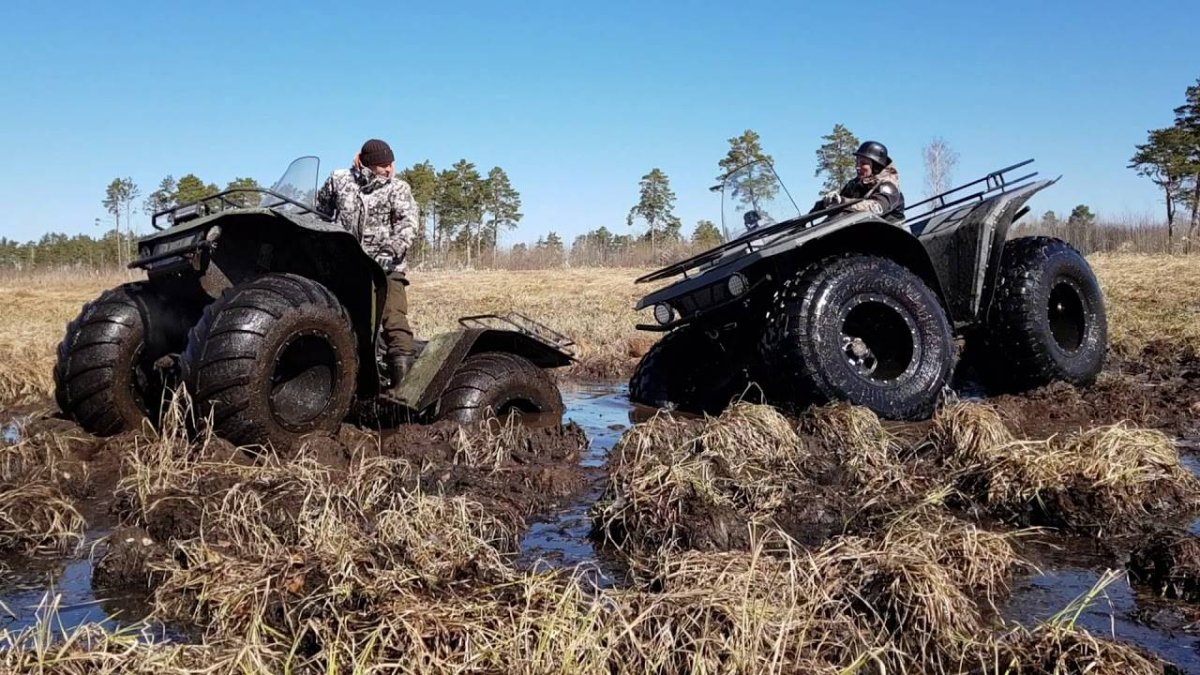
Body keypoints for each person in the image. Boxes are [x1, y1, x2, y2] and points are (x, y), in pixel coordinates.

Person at [315, 138, 419, 395]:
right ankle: (345, 386)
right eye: (383, 165)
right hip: (347, 266)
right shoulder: (339, 180)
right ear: (367, 164)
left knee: (394, 321)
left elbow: (408, 224)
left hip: (387, 268)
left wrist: (392, 250)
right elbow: (319, 213)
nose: (389, 169)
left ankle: (401, 392)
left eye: (391, 164)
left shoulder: (398, 189)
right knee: (342, 323)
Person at [816, 141, 906, 225]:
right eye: (857, 162)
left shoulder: (888, 186)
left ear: (876, 167)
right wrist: (828, 202)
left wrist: (843, 202)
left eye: (863, 163)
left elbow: (876, 208)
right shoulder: (855, 184)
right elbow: (839, 203)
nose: (857, 167)